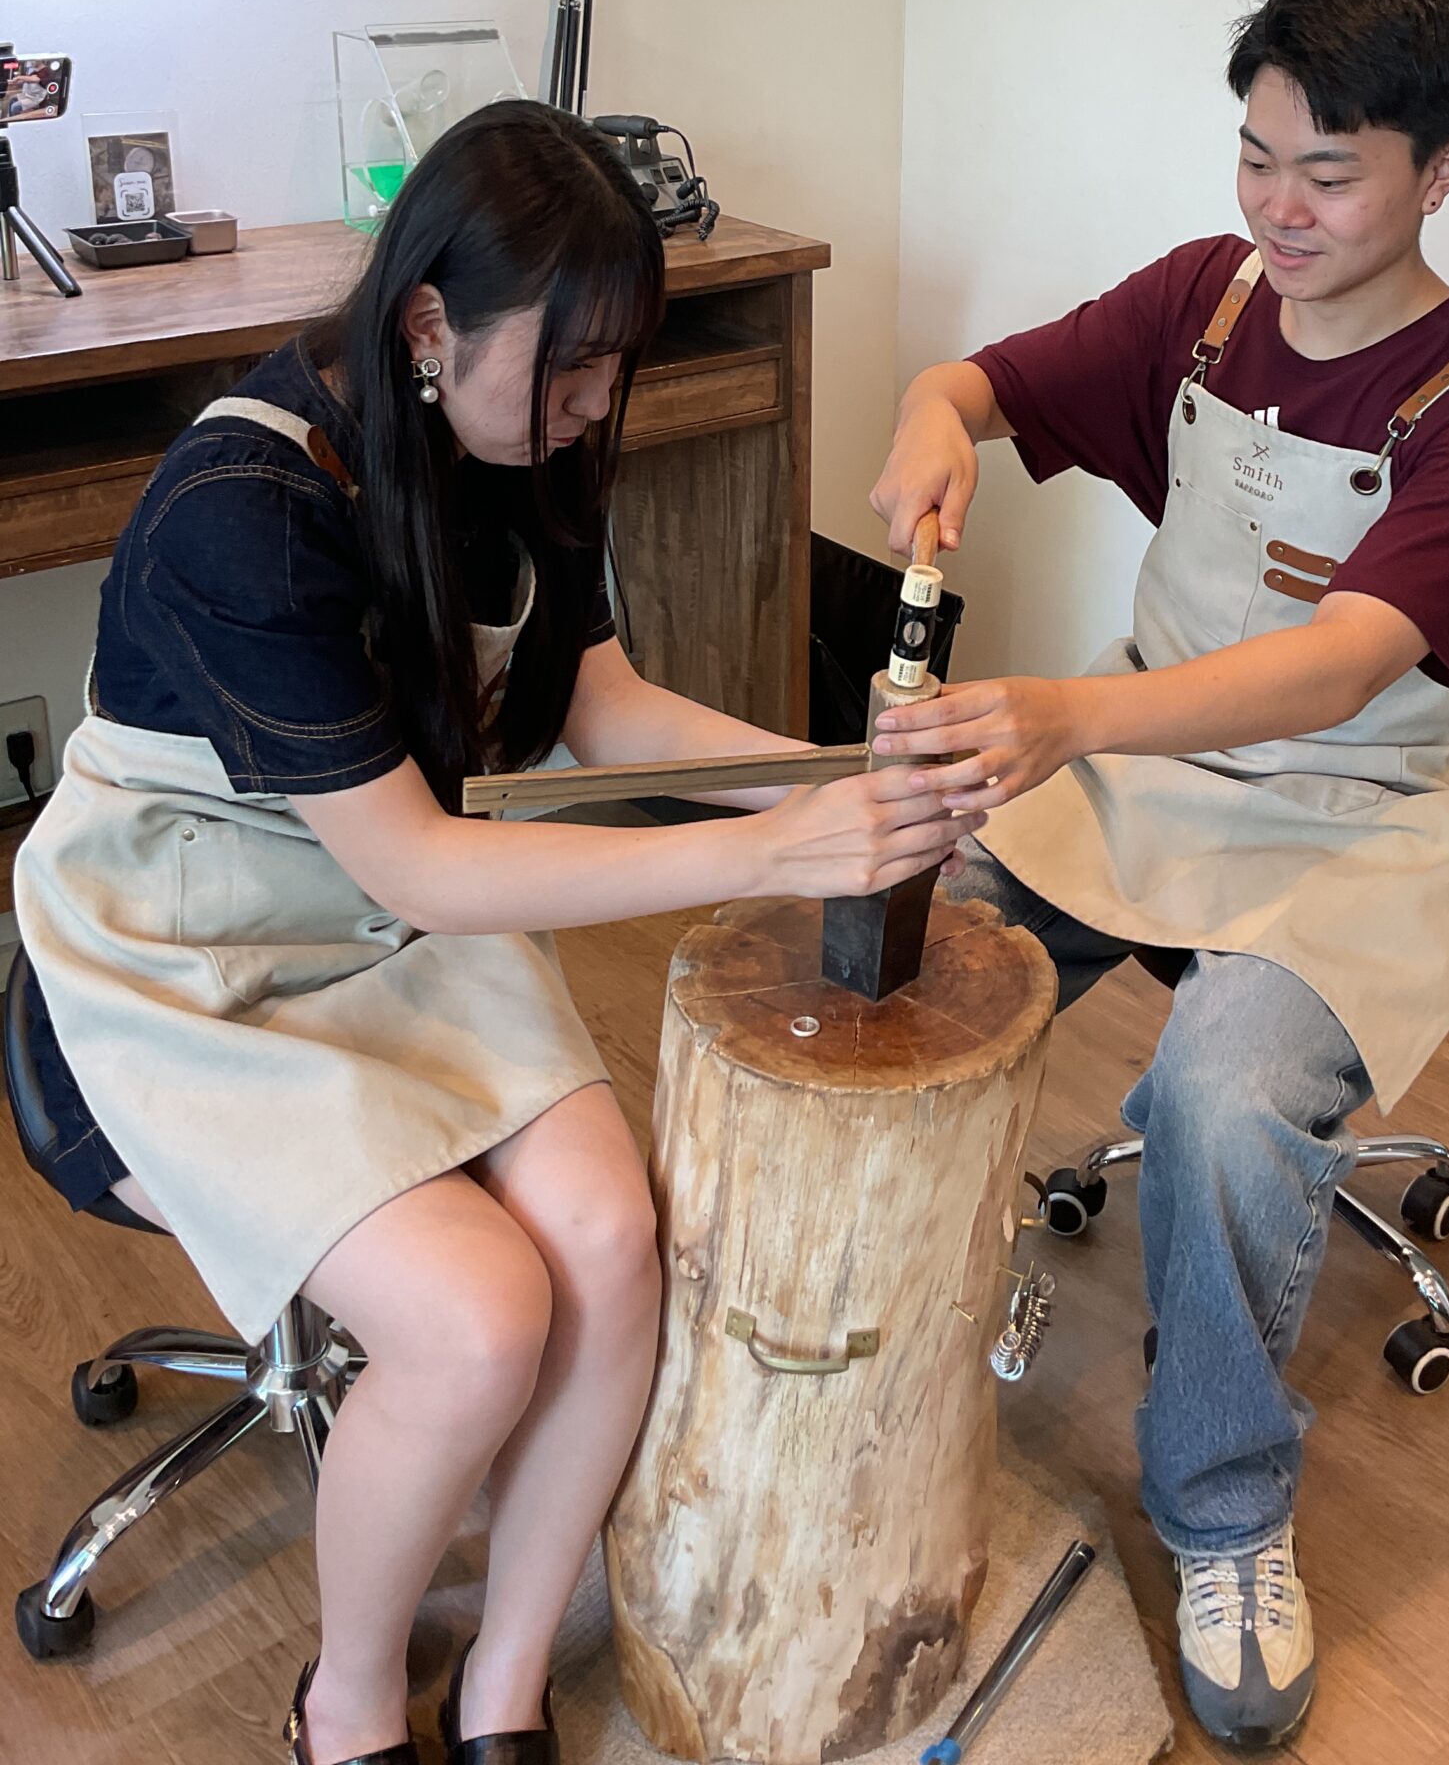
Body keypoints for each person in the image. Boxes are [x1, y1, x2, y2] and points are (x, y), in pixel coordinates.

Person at [13, 103, 979, 1765]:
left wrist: (843, 780)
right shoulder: (242, 504)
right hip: (186, 946)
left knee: (608, 1244)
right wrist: (778, 848)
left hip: (388, 899)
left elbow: (603, 712)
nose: (598, 405)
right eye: (574, 365)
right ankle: (346, 1700)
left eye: (619, 366)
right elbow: (425, 868)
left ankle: (505, 1683)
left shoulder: (527, 447)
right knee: (477, 1322)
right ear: (426, 324)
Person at [867, 0, 1449, 1754]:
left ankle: (1225, 1508)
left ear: (1445, 170)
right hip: (1144, 763)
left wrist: (1066, 716)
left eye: (1330, 173)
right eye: (1256, 158)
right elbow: (974, 381)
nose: (1280, 207)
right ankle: (866, 1360)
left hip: (1357, 812)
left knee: (1221, 1093)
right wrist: (931, 423)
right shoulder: (1204, 305)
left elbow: (1341, 667)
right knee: (892, 945)